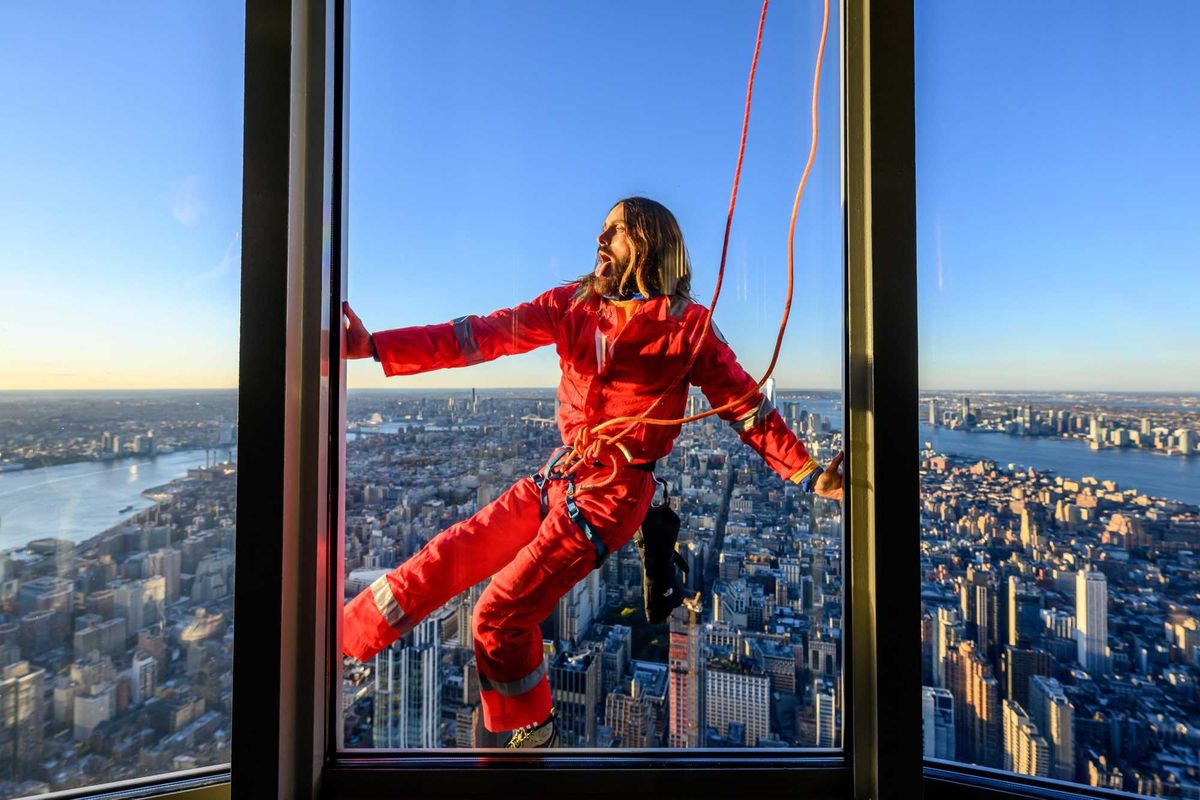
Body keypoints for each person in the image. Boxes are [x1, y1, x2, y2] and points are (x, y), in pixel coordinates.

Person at [341, 196, 844, 748]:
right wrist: (374, 347)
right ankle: (342, 637)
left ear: (650, 243)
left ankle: (531, 731)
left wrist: (809, 473)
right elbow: (479, 336)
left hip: (614, 493)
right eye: (602, 230)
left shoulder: (687, 328)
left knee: (498, 613)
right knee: (449, 554)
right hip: (561, 474)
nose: (601, 241)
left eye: (617, 231)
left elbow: (746, 407)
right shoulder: (573, 305)